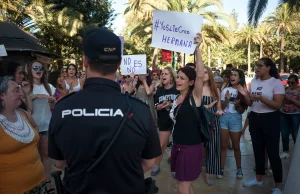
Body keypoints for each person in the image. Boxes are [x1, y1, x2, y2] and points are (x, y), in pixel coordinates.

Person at [48, 27, 161, 194]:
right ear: (119, 63)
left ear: (85, 61)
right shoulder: (140, 109)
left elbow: (59, 163)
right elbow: (150, 162)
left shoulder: (63, 107)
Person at [169, 33, 204, 194]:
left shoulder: (194, 97)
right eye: (178, 77)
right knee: (186, 185)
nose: (178, 80)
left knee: (183, 186)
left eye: (182, 78)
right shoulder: (177, 98)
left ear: (190, 82)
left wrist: (197, 48)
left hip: (190, 148)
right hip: (178, 146)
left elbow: (201, 75)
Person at [243, 58, 285, 194]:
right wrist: (245, 95)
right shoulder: (254, 81)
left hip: (270, 118)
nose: (257, 68)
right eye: (257, 66)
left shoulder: (276, 83)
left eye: (260, 66)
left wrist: (262, 99)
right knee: (257, 150)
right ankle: (258, 178)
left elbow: (278, 105)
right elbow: (250, 103)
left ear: (268, 68)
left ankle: (278, 186)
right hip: (255, 117)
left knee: (273, 152)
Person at [0, 76, 46, 194]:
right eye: (16, 90)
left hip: (39, 183)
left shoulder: (23, 114)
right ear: (2, 95)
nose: (21, 93)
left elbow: (35, 127)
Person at [27, 60, 56, 193]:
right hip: (32, 127)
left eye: (40, 68)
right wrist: (35, 96)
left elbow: (52, 108)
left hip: (46, 125)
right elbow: (27, 108)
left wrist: (52, 101)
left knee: (46, 156)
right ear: (30, 70)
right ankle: (35, 184)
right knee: (33, 158)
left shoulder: (49, 86)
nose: (38, 70)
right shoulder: (27, 87)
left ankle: (48, 182)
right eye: (35, 68)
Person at [218, 69, 250, 179]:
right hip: (224, 118)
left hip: (236, 119)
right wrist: (227, 100)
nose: (232, 76)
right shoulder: (225, 90)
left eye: (235, 75)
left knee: (236, 146)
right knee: (223, 146)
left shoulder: (242, 92)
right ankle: (221, 169)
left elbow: (242, 111)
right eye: (231, 74)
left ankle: (239, 169)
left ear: (240, 78)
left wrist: (237, 105)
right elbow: (222, 107)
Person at [151, 66, 178, 176]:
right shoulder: (160, 90)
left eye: (165, 74)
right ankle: (156, 165)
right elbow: (156, 106)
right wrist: (161, 105)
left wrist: (172, 104)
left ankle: (176, 168)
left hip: (177, 120)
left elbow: (182, 104)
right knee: (161, 144)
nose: (163, 76)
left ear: (171, 76)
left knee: (177, 145)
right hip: (164, 120)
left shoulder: (177, 88)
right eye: (162, 74)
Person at [280, 74, 300, 159]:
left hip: (296, 114)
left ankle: (297, 152)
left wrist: (291, 99)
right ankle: (285, 151)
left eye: (293, 83)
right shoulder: (285, 89)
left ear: (297, 82)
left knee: (295, 134)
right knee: (284, 134)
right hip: (284, 114)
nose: (290, 84)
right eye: (289, 82)